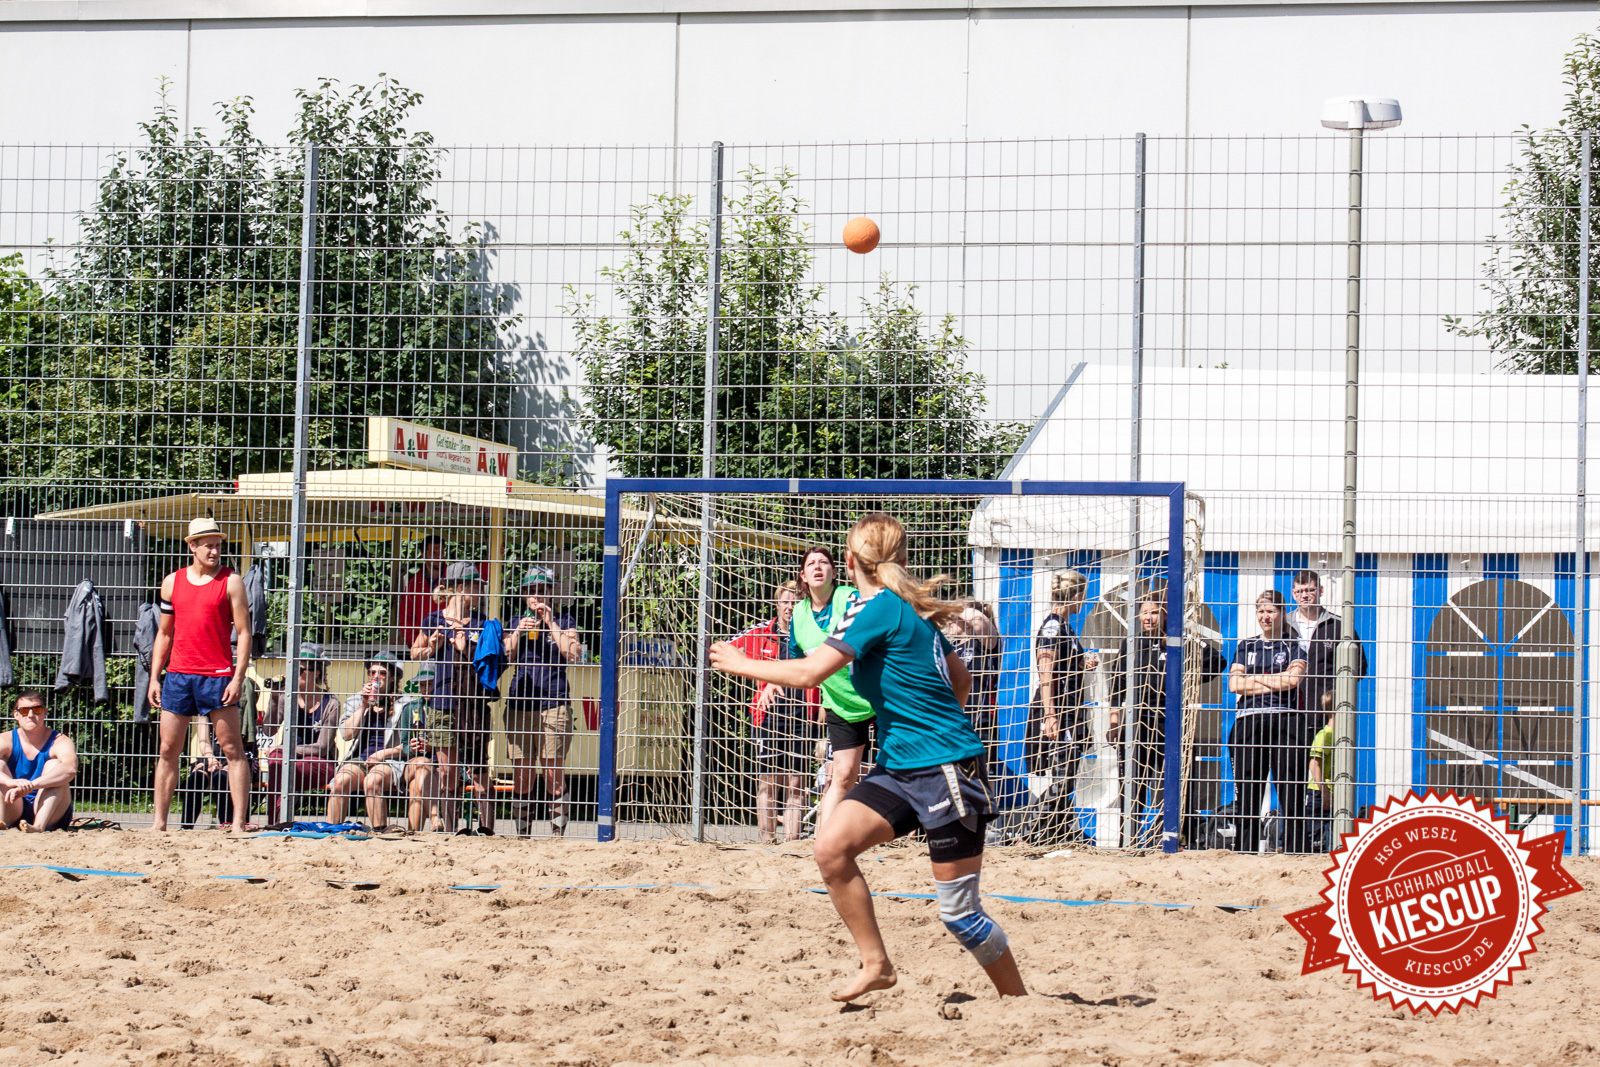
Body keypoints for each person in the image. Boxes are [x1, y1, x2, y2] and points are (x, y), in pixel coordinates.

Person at [710, 513, 1027, 1003]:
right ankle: (877, 965)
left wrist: (740, 662)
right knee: (831, 848)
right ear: (899, 559)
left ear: (852, 561)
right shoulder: (898, 611)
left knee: (960, 914)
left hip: (945, 768)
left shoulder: (879, 609)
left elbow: (813, 672)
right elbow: (961, 682)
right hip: (900, 764)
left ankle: (1018, 1002)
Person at [148, 517, 254, 835]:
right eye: (208, 544)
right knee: (168, 750)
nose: (215, 550)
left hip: (218, 675)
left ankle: (236, 824)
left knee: (233, 749)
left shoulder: (231, 581)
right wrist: (155, 676)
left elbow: (245, 632)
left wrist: (237, 678)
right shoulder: (172, 582)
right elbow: (164, 634)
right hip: (179, 675)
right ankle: (159, 824)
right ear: (192, 546)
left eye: (218, 545)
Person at [1107, 586, 1229, 835]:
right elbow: (1118, 683)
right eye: (1144, 613)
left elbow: (1218, 660)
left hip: (1169, 723)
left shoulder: (1178, 640)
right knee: (1132, 786)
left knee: (1169, 787)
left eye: (1154, 613)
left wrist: (1185, 677)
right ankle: (1127, 838)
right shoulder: (1132, 643)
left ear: (1164, 615)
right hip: (1137, 724)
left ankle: (1167, 838)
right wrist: (1114, 719)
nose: (1148, 618)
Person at [791, 546, 874, 828]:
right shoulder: (798, 615)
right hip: (841, 703)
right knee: (841, 775)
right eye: (811, 563)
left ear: (835, 572)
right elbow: (795, 662)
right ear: (803, 576)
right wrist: (768, 684)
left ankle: (909, 841)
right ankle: (823, 841)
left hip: (880, 696)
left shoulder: (849, 599)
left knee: (900, 768)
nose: (817, 566)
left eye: (824, 562)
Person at [412, 561, 497, 834]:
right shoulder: (433, 620)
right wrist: (433, 647)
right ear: (460, 588)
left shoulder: (482, 623)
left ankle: (487, 830)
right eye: (475, 586)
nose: (480, 591)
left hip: (472, 703)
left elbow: (489, 663)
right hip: (442, 703)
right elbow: (415, 654)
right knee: (447, 771)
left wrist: (464, 650)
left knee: (479, 770)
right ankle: (450, 830)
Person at [731, 580, 814, 844]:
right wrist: (759, 677)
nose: (790, 607)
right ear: (777, 604)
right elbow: (728, 651)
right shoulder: (762, 632)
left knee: (796, 784)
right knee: (768, 782)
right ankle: (767, 842)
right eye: (786, 601)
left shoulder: (812, 633)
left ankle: (791, 845)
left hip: (803, 713)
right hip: (768, 714)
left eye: (796, 601)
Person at [502, 565, 582, 837]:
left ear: (551, 594)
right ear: (524, 595)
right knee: (522, 776)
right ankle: (523, 836)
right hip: (520, 704)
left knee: (553, 776)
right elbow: (505, 656)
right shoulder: (515, 621)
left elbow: (573, 654)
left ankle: (556, 837)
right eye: (531, 592)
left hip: (554, 703)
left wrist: (550, 623)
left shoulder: (566, 620)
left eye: (542, 591)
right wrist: (517, 633)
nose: (536, 597)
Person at [1227, 589, 1309, 854]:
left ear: (1282, 613)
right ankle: (1246, 849)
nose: (1265, 616)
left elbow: (1292, 681)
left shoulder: (1294, 644)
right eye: (1261, 611)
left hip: (1285, 721)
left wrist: (1253, 680)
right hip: (1249, 721)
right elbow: (1233, 684)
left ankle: (1296, 850)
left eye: (1271, 611)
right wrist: (1275, 680)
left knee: (1290, 789)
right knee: (1248, 790)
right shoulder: (1246, 645)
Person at [262, 645, 342, 824]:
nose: (295, 673)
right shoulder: (285, 696)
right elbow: (269, 730)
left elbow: (321, 748)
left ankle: (279, 819)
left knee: (284, 760)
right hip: (287, 760)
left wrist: (285, 748)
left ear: (317, 673)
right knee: (277, 759)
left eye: (301, 669)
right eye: (293, 667)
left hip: (319, 762)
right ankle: (275, 821)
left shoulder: (331, 702)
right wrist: (274, 698)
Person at [326, 651, 406, 825]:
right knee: (340, 781)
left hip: (389, 760)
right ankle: (331, 830)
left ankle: (379, 830)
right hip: (360, 759)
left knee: (372, 781)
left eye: (382, 673)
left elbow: (408, 745)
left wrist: (383, 754)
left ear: (393, 677)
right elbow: (346, 735)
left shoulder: (404, 703)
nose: (376, 677)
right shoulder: (355, 700)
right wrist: (363, 705)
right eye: (372, 672)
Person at [1288, 569, 1368, 715]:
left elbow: (1359, 666)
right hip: (1288, 710)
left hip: (1326, 711)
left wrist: (1334, 693)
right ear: (1293, 594)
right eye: (1300, 591)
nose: (1305, 595)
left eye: (1310, 590)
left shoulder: (1339, 626)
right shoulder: (1283, 626)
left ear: (1321, 590)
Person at [0, 691, 77, 832]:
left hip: (51, 811)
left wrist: (32, 785)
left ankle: (38, 827)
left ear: (44, 713)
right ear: (16, 715)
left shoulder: (60, 741)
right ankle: (1, 821)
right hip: (14, 805)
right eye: (24, 710)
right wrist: (9, 782)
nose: (30, 715)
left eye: (36, 709)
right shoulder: (5, 740)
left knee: (55, 767)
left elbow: (70, 769)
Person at [396, 535, 446, 647]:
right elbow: (405, 618)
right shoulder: (413, 584)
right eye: (434, 553)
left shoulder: (453, 580)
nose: (438, 556)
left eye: (441, 552)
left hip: (448, 644)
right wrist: (416, 643)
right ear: (424, 555)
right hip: (422, 646)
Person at [1305, 689, 1335, 852]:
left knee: (1331, 832)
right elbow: (1314, 764)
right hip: (1319, 791)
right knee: (1313, 833)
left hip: (1331, 791)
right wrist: (1323, 790)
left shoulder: (1337, 735)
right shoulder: (1325, 735)